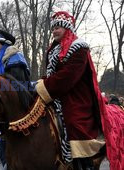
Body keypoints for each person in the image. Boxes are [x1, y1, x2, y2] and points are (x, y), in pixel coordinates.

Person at [35, 11, 105, 169]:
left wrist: (42, 86)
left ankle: (84, 163)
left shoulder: (79, 48)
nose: (54, 31)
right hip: (57, 93)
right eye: (52, 28)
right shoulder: (53, 49)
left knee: (74, 121)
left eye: (58, 27)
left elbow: (67, 78)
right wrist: (42, 80)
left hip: (76, 97)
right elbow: (52, 74)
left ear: (67, 28)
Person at [0, 30, 31, 167]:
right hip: (1, 106)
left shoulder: (15, 58)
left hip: (17, 105)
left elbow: (18, 85)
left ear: (4, 43)